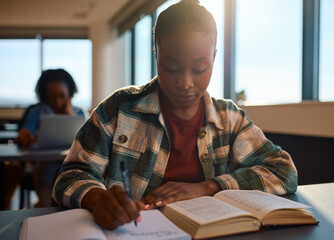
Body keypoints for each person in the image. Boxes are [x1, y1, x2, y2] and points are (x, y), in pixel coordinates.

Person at [53, 0, 298, 230]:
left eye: (200, 68)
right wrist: (98, 199)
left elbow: (283, 171)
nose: (186, 83)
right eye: (171, 68)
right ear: (156, 54)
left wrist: (208, 187)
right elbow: (70, 175)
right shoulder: (119, 109)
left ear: (213, 57)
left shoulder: (229, 120)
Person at [16, 68, 86, 207]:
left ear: (70, 93)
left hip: (73, 161)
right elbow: (24, 133)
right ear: (45, 95)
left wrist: (69, 115)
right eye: (52, 96)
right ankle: (45, 205)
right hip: (45, 163)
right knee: (47, 192)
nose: (57, 101)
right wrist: (25, 136)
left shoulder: (80, 114)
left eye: (62, 95)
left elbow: (85, 141)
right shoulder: (37, 112)